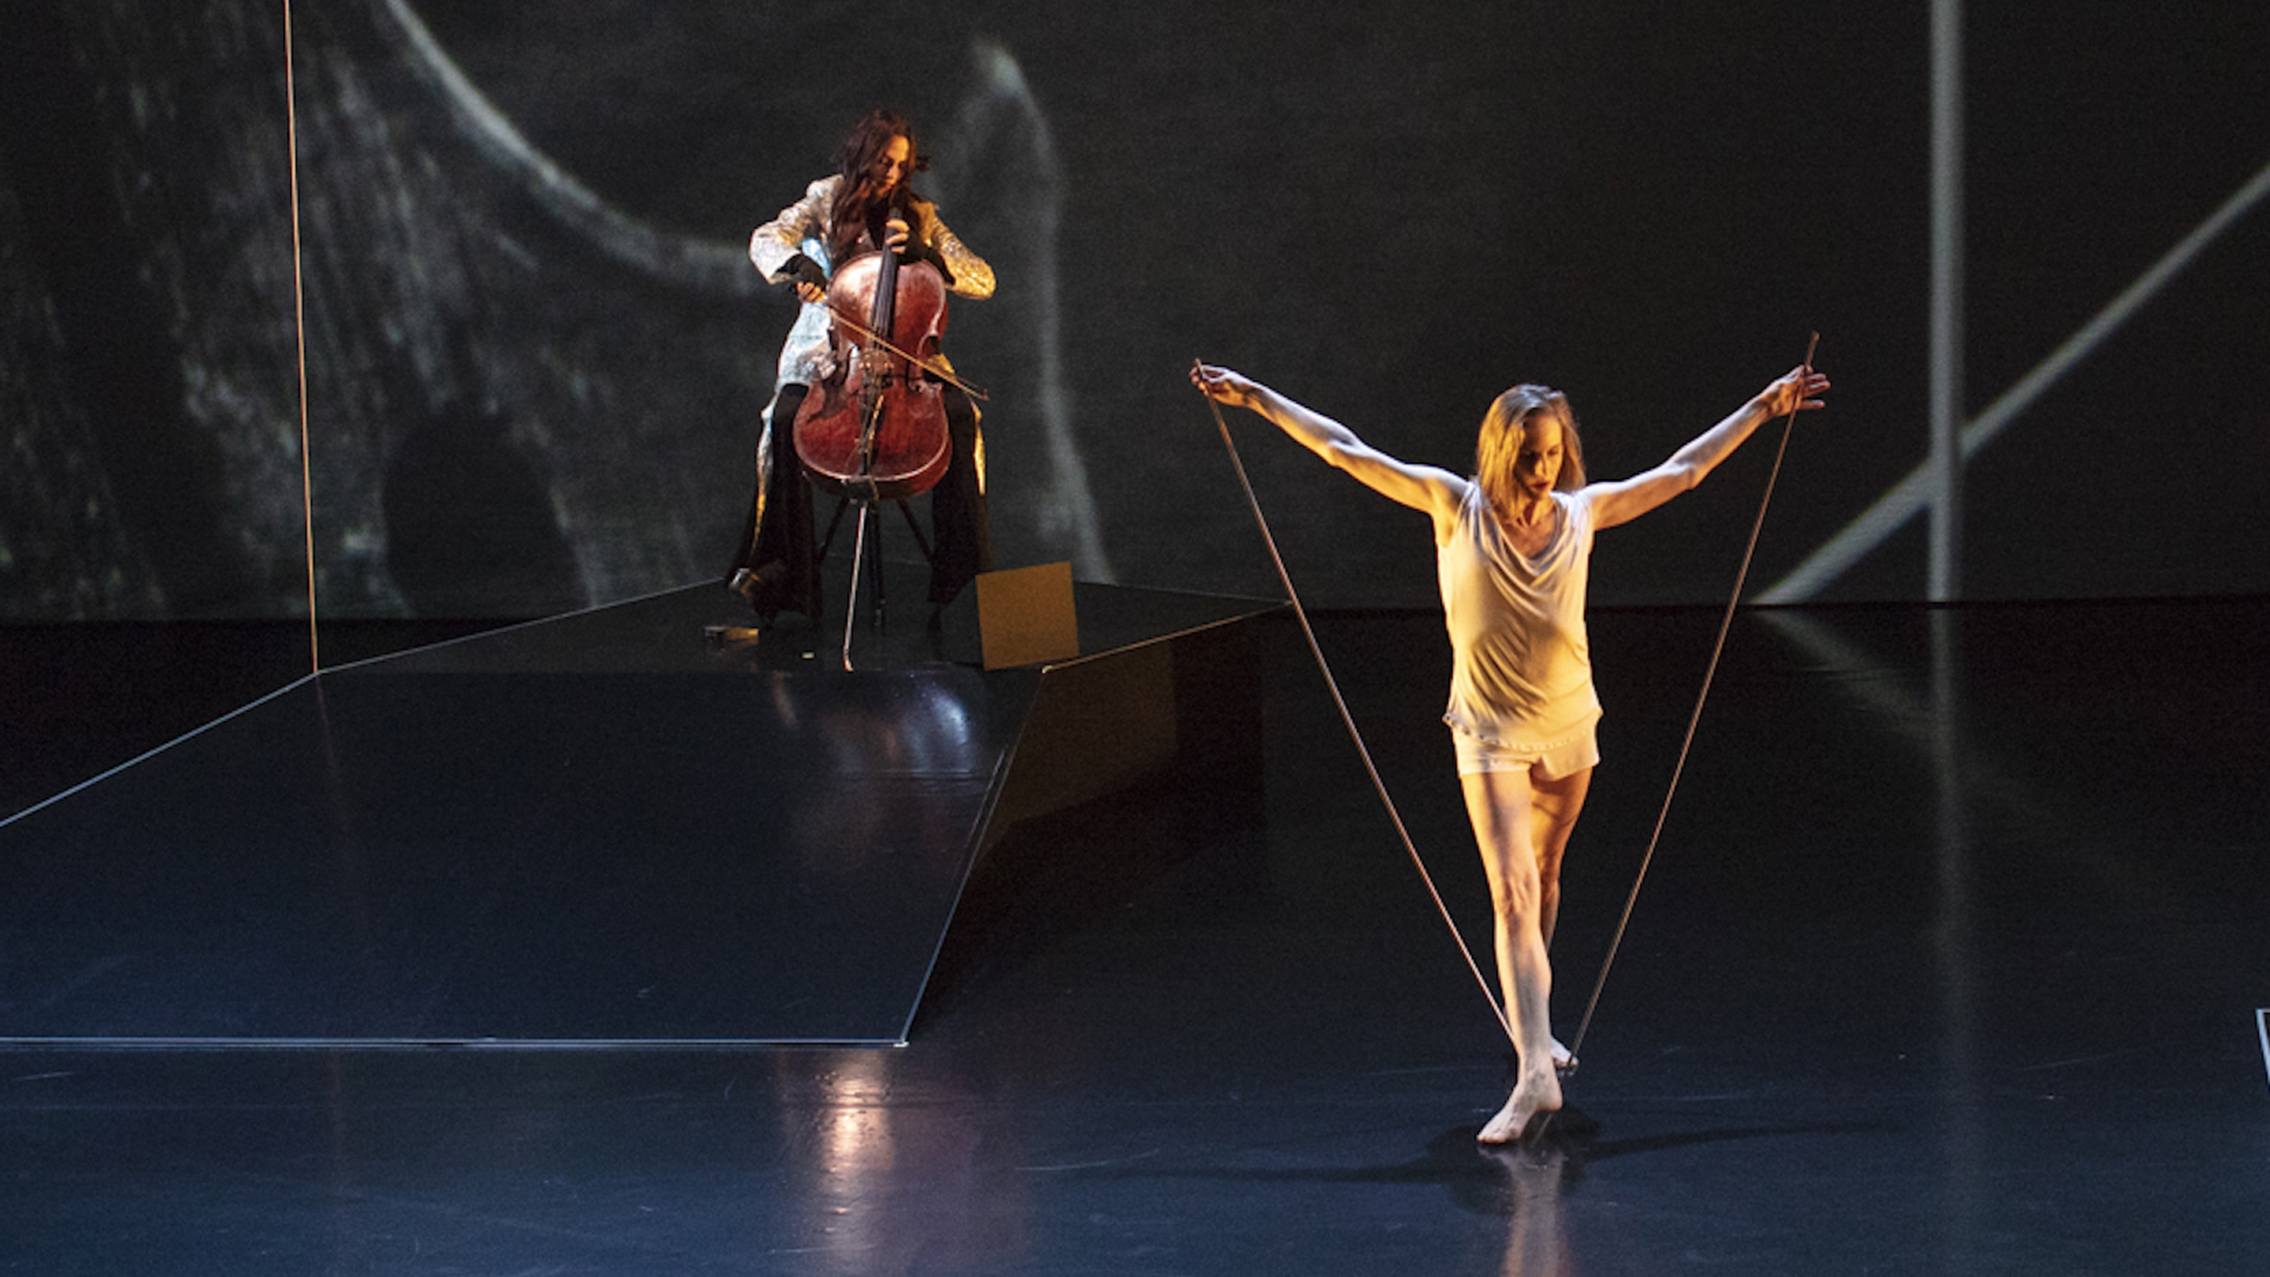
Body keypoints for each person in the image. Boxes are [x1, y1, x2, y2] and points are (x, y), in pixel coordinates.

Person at [1190, 359, 1830, 1142]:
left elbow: (1684, 471)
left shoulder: (1582, 513)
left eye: (1552, 454)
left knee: (1546, 875)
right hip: (1489, 731)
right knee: (1512, 893)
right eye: (1528, 455)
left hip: (1569, 726)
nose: (1541, 469)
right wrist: (1256, 396)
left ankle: (1535, 1027)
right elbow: (1342, 448)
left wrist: (1764, 407)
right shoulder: (1453, 507)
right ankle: (1534, 1071)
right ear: (1499, 451)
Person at [730, 108, 996, 622]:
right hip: (826, 354)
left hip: (907, 358)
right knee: (784, 420)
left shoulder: (918, 215)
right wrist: (796, 266)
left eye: (901, 166)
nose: (892, 176)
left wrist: (933, 257)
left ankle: (964, 576)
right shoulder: (824, 199)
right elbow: (766, 237)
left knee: (962, 417)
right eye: (883, 162)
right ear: (861, 155)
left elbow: (984, 279)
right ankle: (780, 572)